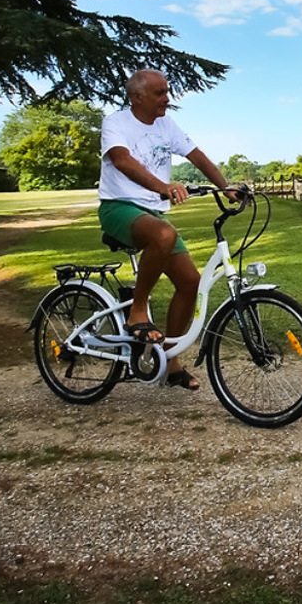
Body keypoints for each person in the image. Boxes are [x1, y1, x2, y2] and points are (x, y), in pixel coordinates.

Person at [98, 69, 233, 390]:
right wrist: (163, 186)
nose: (167, 99)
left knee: (190, 284)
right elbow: (121, 160)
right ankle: (138, 311)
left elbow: (197, 156)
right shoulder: (115, 122)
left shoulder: (166, 124)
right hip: (118, 207)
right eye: (159, 93)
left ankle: (170, 363)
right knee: (163, 234)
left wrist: (227, 187)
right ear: (137, 97)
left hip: (154, 214)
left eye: (167, 91)